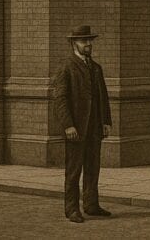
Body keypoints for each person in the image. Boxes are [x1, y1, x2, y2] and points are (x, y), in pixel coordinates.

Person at [51, 25, 113, 223]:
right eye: (83, 41)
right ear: (73, 44)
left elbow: (103, 98)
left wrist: (106, 122)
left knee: (93, 168)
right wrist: (68, 125)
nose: (88, 44)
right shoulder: (66, 68)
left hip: (95, 128)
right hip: (76, 130)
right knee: (74, 170)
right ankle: (71, 210)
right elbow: (60, 100)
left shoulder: (96, 68)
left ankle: (91, 205)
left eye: (89, 40)